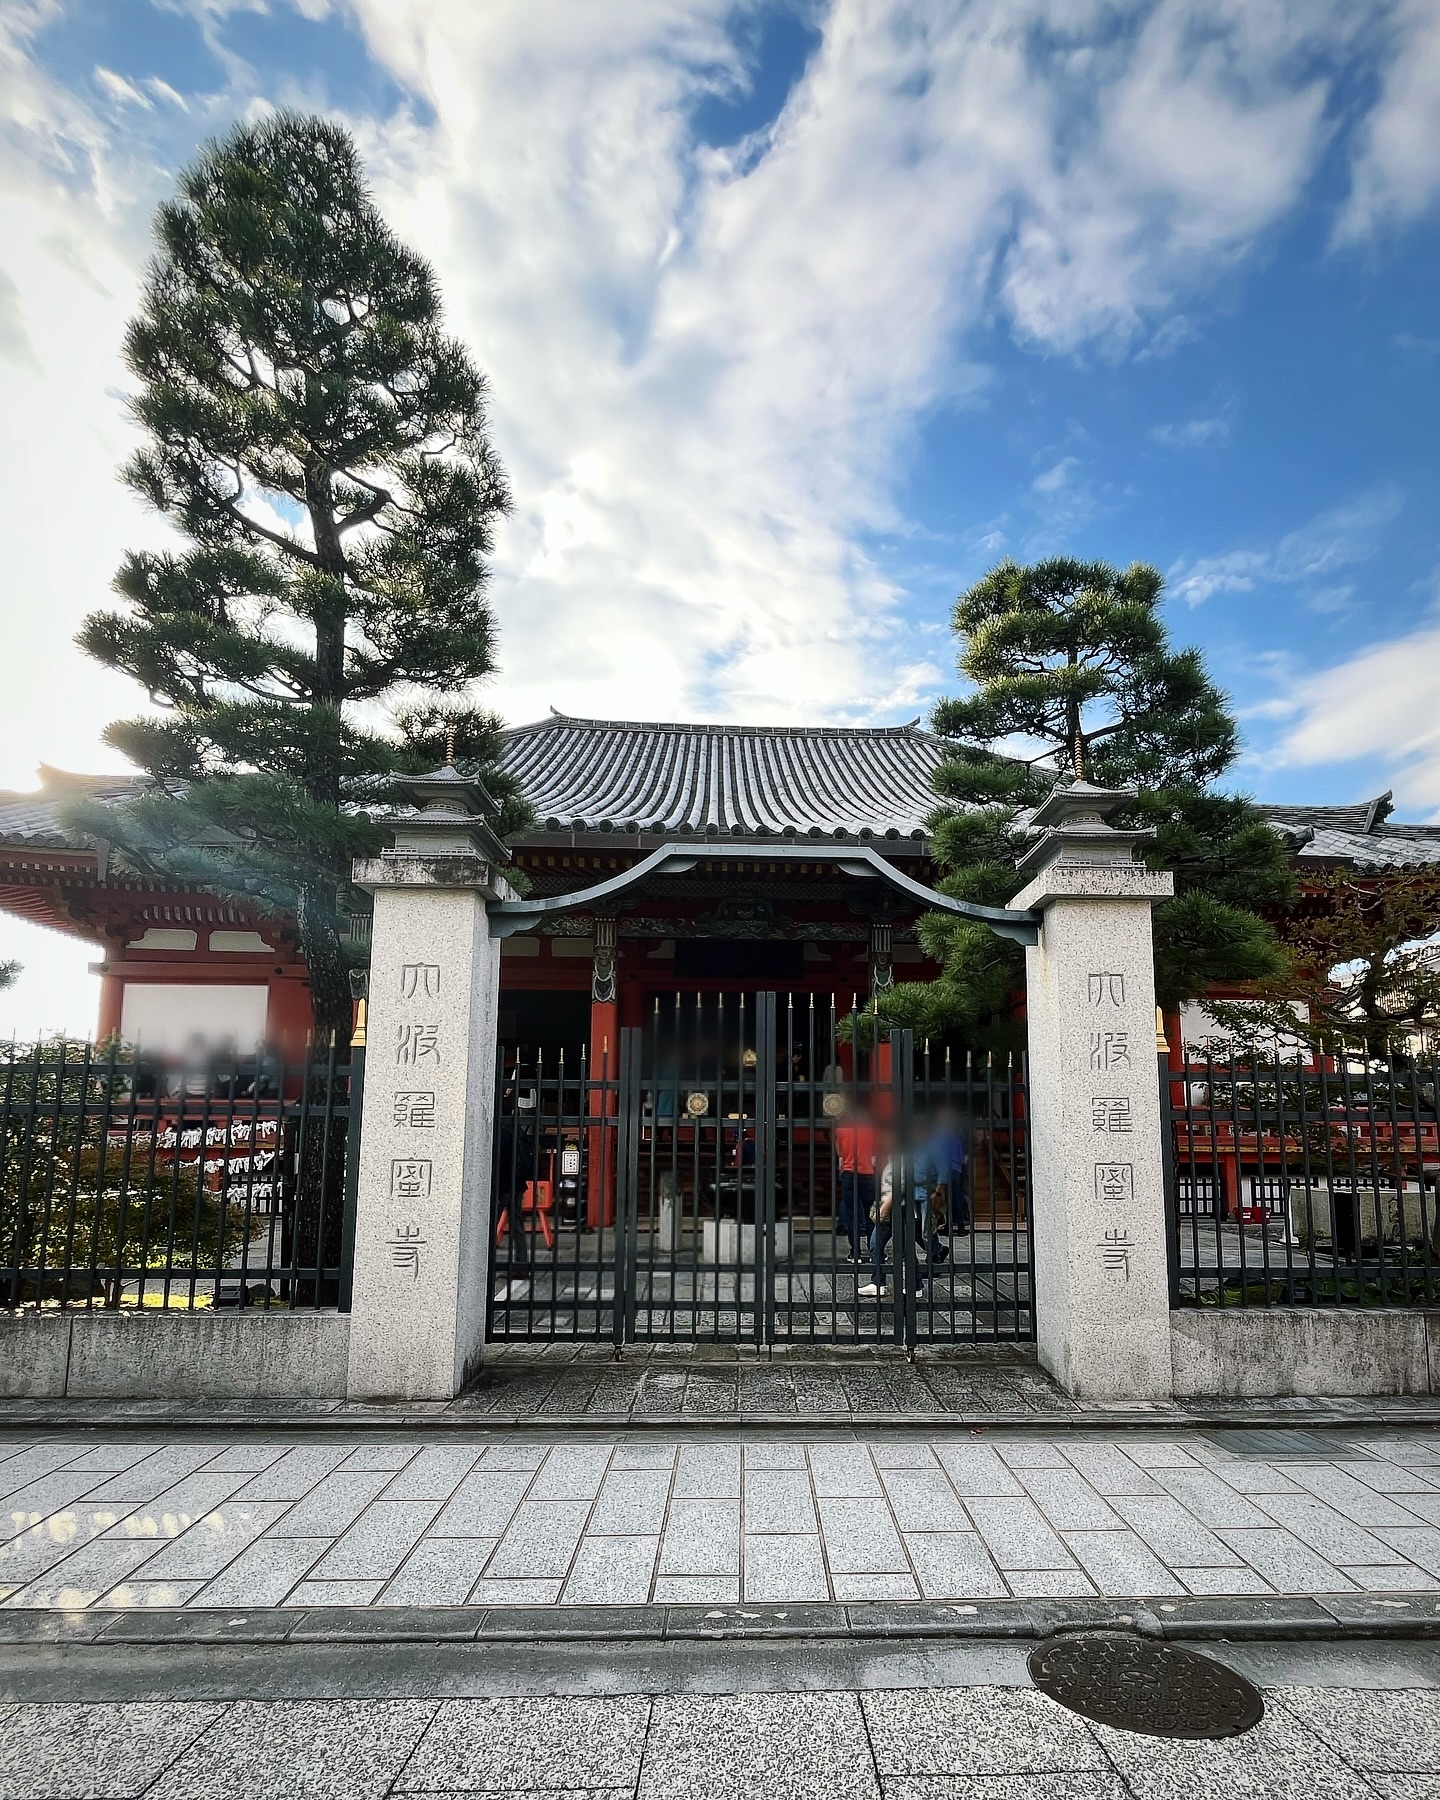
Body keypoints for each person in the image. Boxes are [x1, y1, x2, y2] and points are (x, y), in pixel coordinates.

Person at [833, 1101, 876, 1264]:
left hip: (849, 1172)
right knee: (871, 1214)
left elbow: (839, 1152)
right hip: (867, 1172)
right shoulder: (871, 1130)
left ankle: (855, 1252)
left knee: (852, 1214)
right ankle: (874, 1251)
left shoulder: (841, 1130)